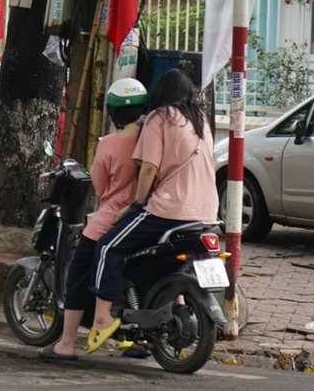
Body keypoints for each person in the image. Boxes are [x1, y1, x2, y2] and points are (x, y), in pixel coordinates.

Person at [84, 68, 218, 354]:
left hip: (169, 208)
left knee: (109, 247)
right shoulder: (200, 118)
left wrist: (138, 203)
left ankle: (102, 316)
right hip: (206, 211)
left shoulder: (160, 118)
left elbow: (148, 167)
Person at [39, 78, 148, 362]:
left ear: (113, 114)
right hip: (149, 218)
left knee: (78, 275)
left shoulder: (109, 143)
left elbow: (99, 185)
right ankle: (137, 341)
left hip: (111, 219)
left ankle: (66, 343)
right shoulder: (154, 140)